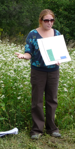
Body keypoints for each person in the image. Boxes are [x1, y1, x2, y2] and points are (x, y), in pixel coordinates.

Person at [15, 9, 61, 139]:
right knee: (37, 100)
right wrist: (24, 56)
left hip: (53, 71)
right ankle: (37, 130)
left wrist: (59, 59)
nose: (49, 23)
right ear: (41, 20)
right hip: (38, 71)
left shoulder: (56, 34)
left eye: (51, 20)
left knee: (52, 100)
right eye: (46, 20)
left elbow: (60, 53)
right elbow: (29, 52)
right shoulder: (33, 34)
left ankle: (52, 128)